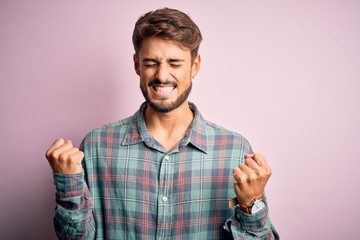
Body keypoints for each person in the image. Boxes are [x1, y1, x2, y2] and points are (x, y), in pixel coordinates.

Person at [46, 7, 279, 240]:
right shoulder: (96, 146)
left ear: (195, 65)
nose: (162, 75)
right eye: (151, 63)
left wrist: (253, 204)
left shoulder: (234, 151)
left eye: (175, 63)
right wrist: (69, 184)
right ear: (137, 64)